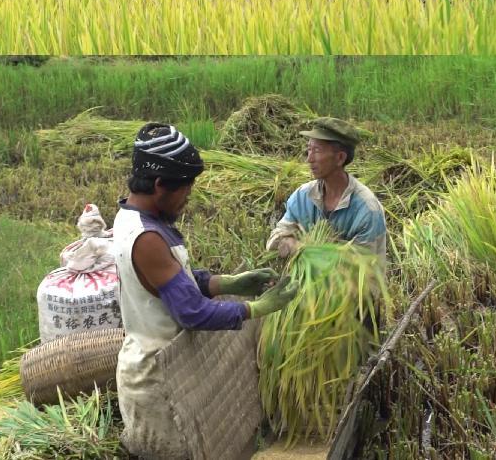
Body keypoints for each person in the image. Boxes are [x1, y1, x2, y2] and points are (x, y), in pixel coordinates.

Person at [114, 123, 298, 458]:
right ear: (159, 186)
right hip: (157, 381)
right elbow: (192, 311)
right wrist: (257, 308)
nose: (188, 197)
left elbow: (177, 283)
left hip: (164, 367)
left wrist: (229, 283)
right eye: (186, 188)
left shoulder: (135, 218)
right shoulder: (147, 239)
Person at [266, 117, 387, 260]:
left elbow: (362, 267)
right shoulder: (302, 197)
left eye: (316, 150)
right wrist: (290, 244)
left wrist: (317, 251)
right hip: (309, 282)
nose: (309, 159)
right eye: (309, 149)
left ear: (340, 158)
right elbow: (275, 238)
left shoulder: (367, 209)